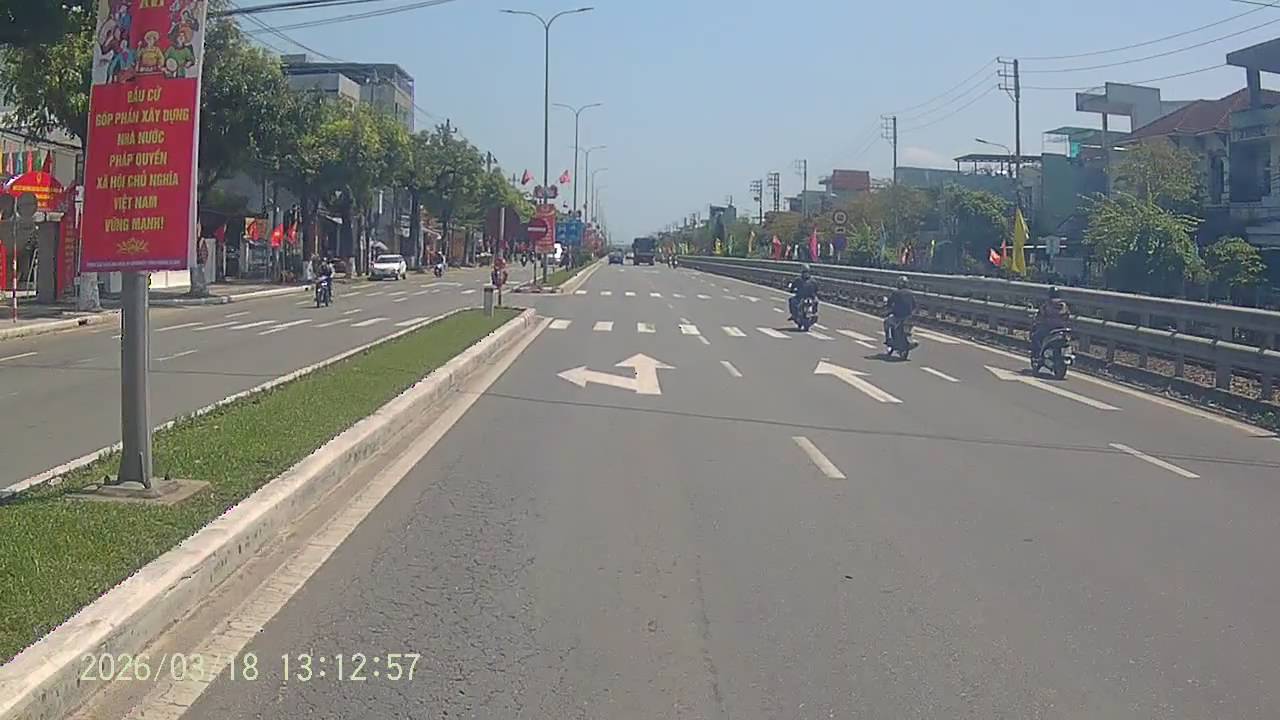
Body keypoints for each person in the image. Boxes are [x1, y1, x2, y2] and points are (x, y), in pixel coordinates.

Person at [1030, 286, 1071, 359]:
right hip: (1062, 329)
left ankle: (1037, 356)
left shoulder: (1047, 304)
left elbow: (1041, 315)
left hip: (1049, 328)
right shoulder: (1064, 305)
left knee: (1035, 337)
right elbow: (1067, 315)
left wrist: (1038, 321)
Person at [884, 276, 916, 344]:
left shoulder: (895, 293)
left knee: (886, 322)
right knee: (910, 327)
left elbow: (889, 303)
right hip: (908, 316)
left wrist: (887, 310)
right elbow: (914, 305)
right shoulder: (910, 293)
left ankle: (888, 339)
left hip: (897, 316)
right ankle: (909, 339)